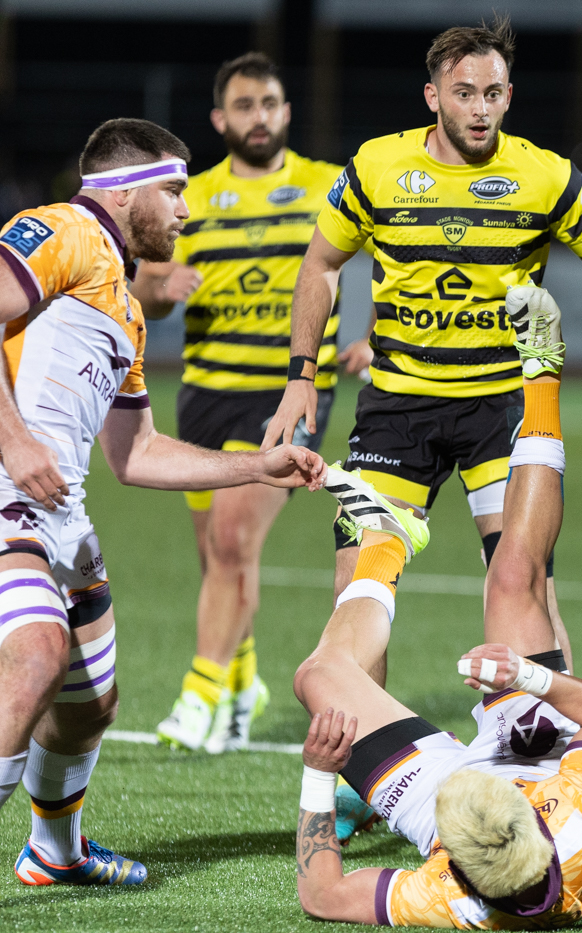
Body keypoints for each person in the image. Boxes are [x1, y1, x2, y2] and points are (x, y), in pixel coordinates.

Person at [0, 118, 327, 886]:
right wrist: (12, 439)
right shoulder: (62, 230)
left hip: (60, 512)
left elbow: (136, 453)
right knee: (37, 656)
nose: (187, 209)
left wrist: (258, 464)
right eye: (175, 192)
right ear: (124, 192)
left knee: (90, 702)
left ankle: (56, 851)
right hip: (6, 489)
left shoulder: (127, 309)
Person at [261, 19, 582, 679]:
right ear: (433, 97)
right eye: (464, 93)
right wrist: (300, 375)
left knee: (526, 583)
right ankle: (372, 762)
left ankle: (563, 756)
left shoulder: (547, 177)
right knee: (357, 585)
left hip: (502, 410)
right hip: (396, 409)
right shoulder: (377, 166)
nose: (479, 109)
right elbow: (320, 265)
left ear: (510, 96)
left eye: (493, 93)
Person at [290, 295, 582, 928]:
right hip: (539, 770)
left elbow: (322, 898)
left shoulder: (447, 895)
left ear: (453, 859)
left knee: (318, 678)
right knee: (512, 578)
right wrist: (525, 677)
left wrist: (318, 774)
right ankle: (543, 370)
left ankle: (385, 544)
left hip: (460, 803)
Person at [128, 52, 344, 754]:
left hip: (286, 394)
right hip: (205, 394)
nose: (260, 117)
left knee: (231, 539)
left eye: (271, 103)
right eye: (245, 106)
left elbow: (391, 258)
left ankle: (198, 693)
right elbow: (145, 285)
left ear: (287, 112)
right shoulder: (194, 195)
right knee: (219, 555)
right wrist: (164, 286)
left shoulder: (324, 185)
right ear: (221, 119)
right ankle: (244, 678)